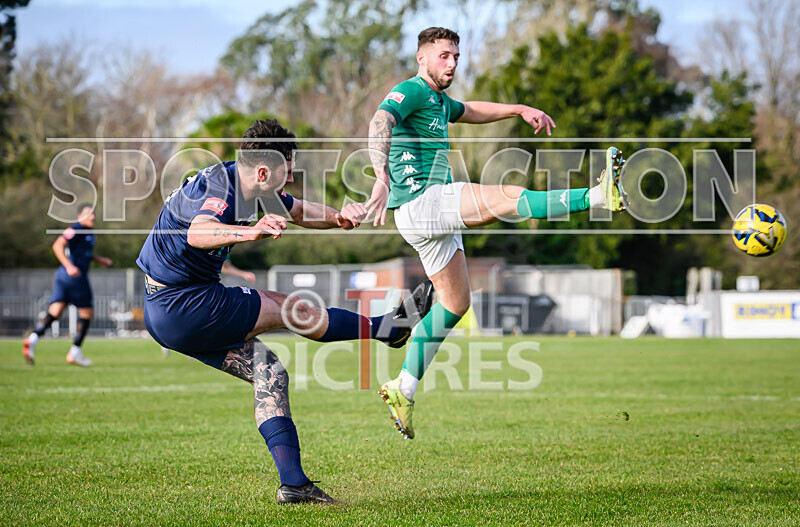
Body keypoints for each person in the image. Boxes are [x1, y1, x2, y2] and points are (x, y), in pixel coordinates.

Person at [136, 118, 434, 504]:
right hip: (182, 303)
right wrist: (252, 231)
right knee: (284, 307)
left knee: (270, 373)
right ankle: (387, 328)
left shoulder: (251, 184)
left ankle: (294, 484)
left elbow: (298, 211)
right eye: (286, 172)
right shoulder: (220, 188)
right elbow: (198, 231)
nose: (289, 180)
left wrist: (339, 218)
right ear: (263, 171)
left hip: (169, 309)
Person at [364, 27, 627, 439]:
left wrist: (518, 108)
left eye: (456, 56)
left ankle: (404, 387)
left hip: (424, 214)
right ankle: (597, 196)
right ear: (422, 58)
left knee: (455, 303)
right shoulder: (411, 90)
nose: (451, 63)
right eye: (444, 56)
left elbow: (471, 109)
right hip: (421, 202)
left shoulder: (437, 100)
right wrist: (381, 176)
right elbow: (381, 120)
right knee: (508, 197)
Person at [22, 203, 113, 367]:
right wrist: (69, 266)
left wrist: (99, 259)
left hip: (63, 278)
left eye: (93, 214)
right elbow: (58, 245)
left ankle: (32, 339)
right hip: (74, 277)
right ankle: (75, 352)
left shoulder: (88, 233)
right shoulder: (76, 229)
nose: (92, 217)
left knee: (55, 312)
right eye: (88, 214)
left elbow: (83, 253)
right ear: (79, 216)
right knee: (87, 313)